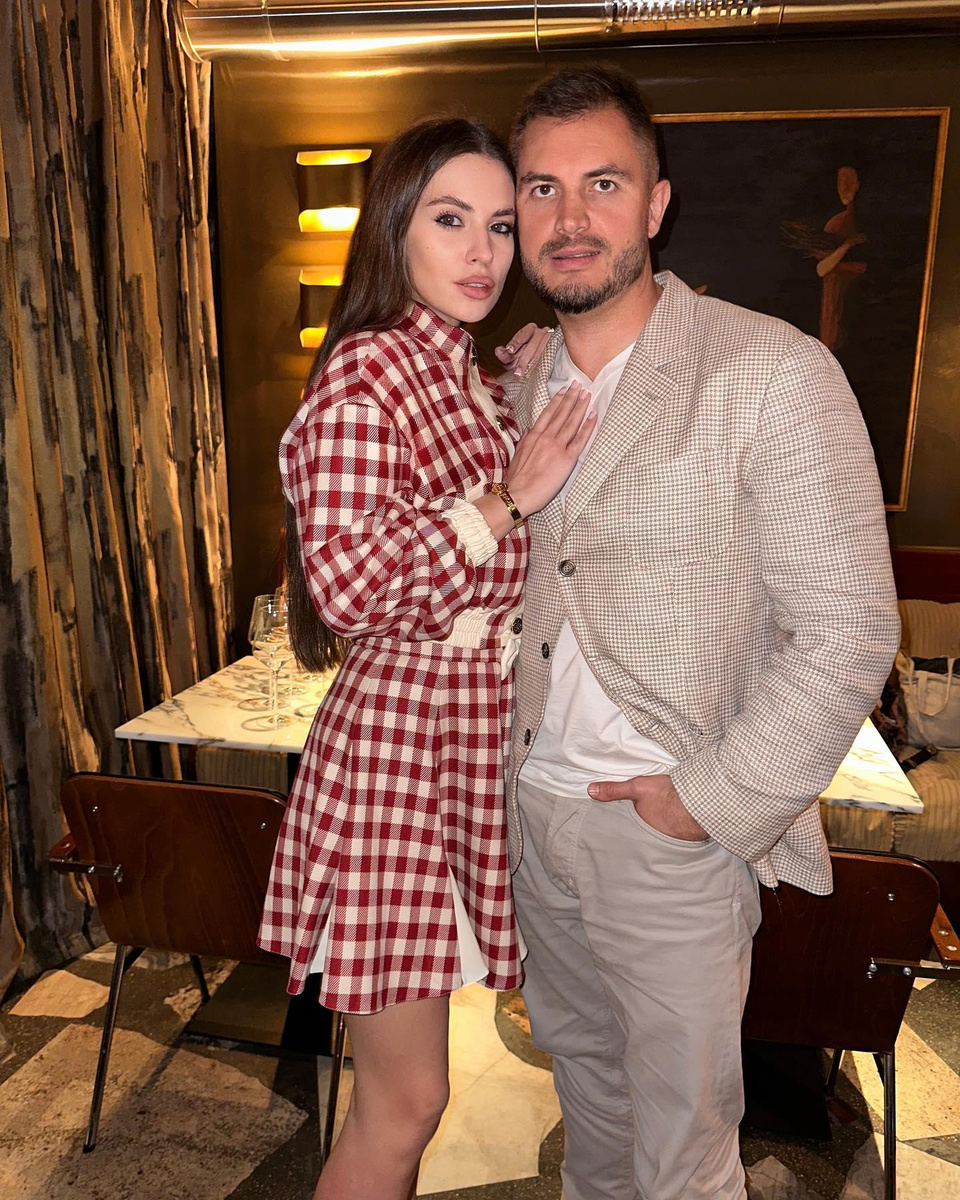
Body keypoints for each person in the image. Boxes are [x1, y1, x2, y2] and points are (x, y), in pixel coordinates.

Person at [499, 67, 900, 1200]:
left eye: (603, 183)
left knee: (684, 1153)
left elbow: (849, 629)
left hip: (666, 833)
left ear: (656, 204)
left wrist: (708, 801)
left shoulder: (770, 369)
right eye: (542, 188)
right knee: (590, 1112)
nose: (570, 217)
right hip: (535, 816)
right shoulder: (514, 383)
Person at [257, 118, 594, 1200]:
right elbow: (349, 586)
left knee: (406, 1101)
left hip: (453, 746)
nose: (484, 252)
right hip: (398, 759)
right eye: (451, 220)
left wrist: (524, 386)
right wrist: (505, 499)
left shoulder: (455, 373)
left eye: (499, 224)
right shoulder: (368, 375)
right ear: (395, 226)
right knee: (403, 1104)